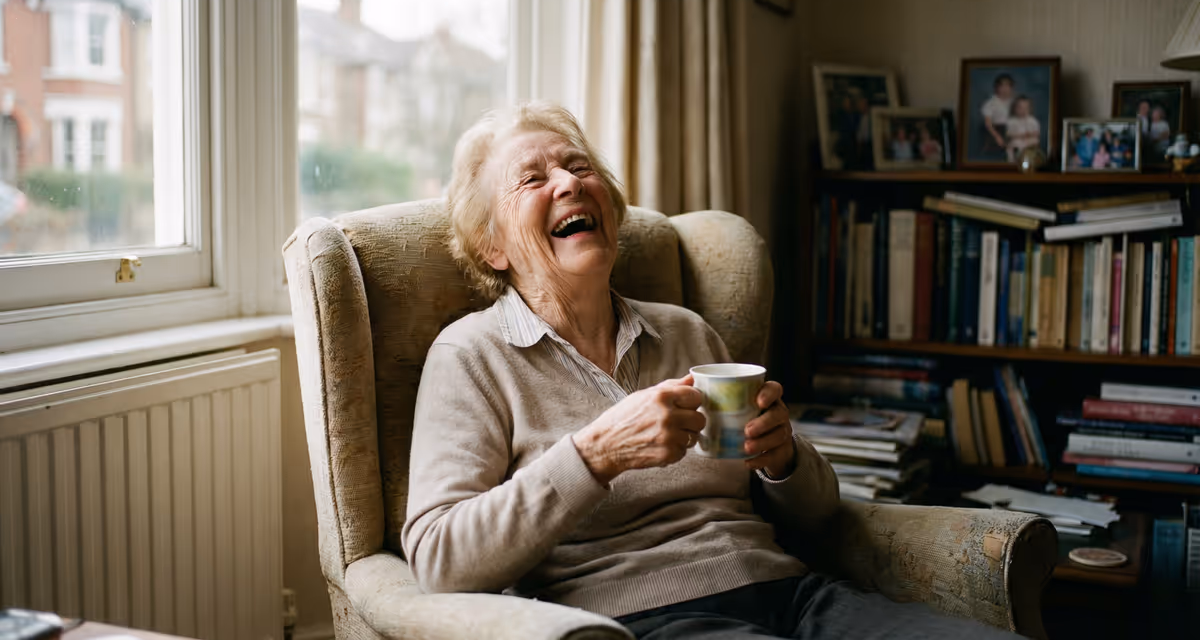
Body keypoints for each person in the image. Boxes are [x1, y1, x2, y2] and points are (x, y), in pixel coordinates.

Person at [402, 101, 1022, 640]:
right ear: (493, 246)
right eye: (532, 178)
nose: (567, 183)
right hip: (648, 621)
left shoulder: (685, 330)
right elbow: (439, 558)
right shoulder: (473, 357)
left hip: (798, 595)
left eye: (579, 167)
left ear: (610, 208)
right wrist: (595, 454)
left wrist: (784, 461)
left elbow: (820, 511)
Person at [980, 73, 1014, 157]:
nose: (1005, 89)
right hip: (997, 132)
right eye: (1002, 86)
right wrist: (997, 137)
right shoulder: (991, 103)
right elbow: (988, 124)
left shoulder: (1015, 102)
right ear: (996, 87)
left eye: (1007, 86)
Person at [1004, 96, 1040, 163]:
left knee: (1034, 142)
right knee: (1012, 146)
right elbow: (1008, 134)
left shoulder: (1032, 121)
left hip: (1029, 140)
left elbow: (1036, 133)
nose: (1023, 110)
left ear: (1030, 109)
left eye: (1026, 108)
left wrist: (1030, 134)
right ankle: (1012, 161)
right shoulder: (1011, 121)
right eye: (1020, 108)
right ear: (1014, 109)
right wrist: (1020, 135)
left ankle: (1029, 161)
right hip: (1017, 140)